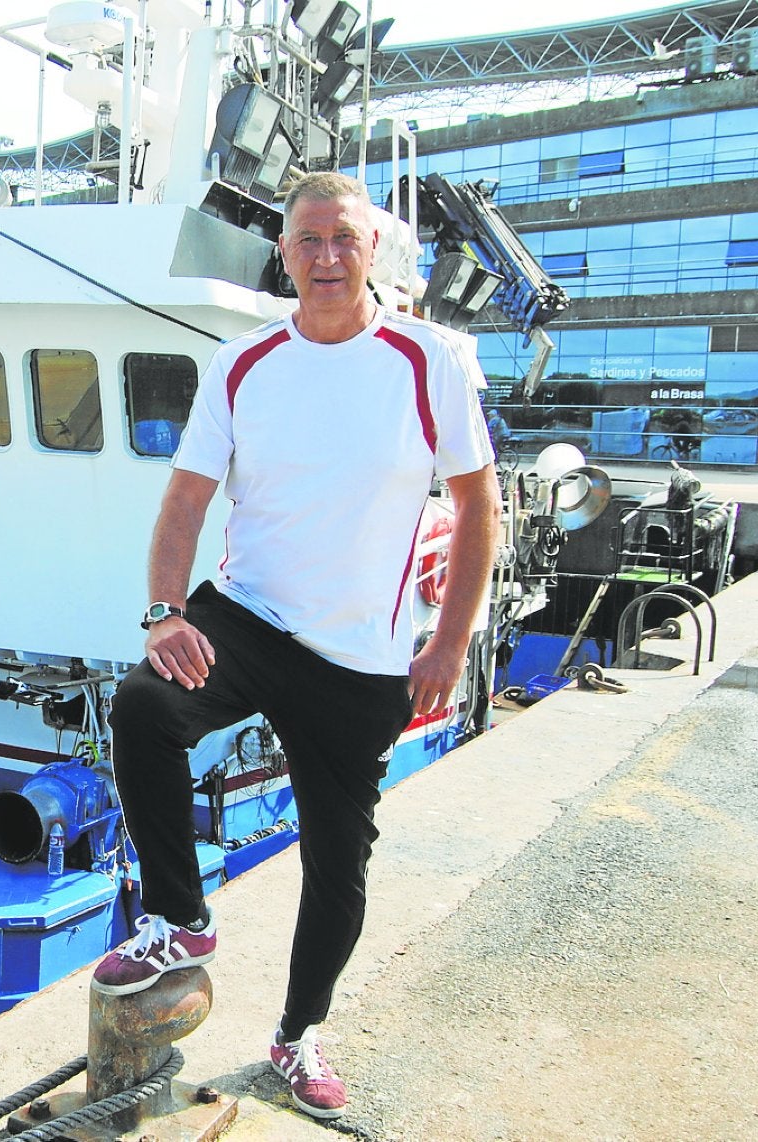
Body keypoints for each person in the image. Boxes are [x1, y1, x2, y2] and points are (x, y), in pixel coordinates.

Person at [93, 171, 500, 1121]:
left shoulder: (426, 358)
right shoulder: (242, 363)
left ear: (371, 252)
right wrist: (166, 612)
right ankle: (180, 919)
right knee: (146, 705)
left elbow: (480, 504)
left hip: (363, 655)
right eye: (308, 240)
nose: (325, 257)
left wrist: (449, 641)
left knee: (338, 863)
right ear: (284, 252)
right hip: (249, 616)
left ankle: (296, 1036)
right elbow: (186, 501)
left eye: (343, 240)